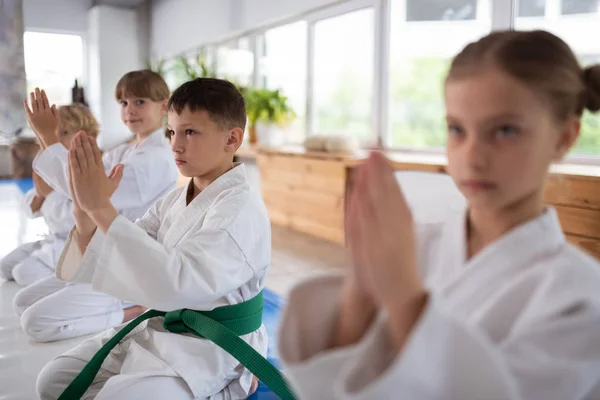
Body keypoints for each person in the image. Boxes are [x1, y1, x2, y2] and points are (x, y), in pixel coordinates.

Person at [277, 30, 600, 399]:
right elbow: (332, 386)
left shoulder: (581, 299)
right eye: (457, 129)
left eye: (505, 131)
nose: (472, 156)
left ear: (564, 138)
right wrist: (361, 294)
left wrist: (404, 299)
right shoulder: (416, 245)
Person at [36, 78, 273, 400]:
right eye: (172, 132)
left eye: (190, 132)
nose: (176, 145)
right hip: (163, 327)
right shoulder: (176, 199)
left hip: (213, 344)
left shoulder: (238, 210)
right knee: (53, 382)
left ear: (231, 138)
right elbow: (130, 246)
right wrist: (84, 210)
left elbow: (179, 284)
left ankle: (236, 384)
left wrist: (101, 208)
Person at [14, 70, 178, 343]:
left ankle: (131, 310)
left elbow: (85, 189)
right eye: (124, 103)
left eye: (140, 102)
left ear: (164, 106)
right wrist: (46, 138)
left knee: (35, 323)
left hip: (127, 268)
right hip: (100, 256)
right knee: (22, 302)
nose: (129, 111)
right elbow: (78, 177)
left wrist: (48, 137)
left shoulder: (155, 159)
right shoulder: (124, 151)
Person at [0, 104, 99, 286]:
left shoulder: (92, 165)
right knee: (5, 266)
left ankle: (75, 280)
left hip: (75, 242)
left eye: (64, 132)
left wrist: (50, 194)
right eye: (53, 133)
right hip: (54, 238)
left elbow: (78, 214)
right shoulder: (50, 162)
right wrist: (41, 194)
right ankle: (53, 266)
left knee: (23, 273)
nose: (56, 139)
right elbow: (32, 209)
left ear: (86, 134)